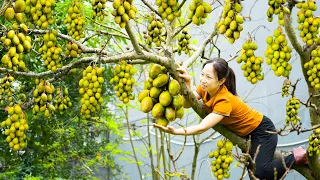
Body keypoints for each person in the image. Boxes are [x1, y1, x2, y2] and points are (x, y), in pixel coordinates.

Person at [153, 58, 307, 180]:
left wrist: (177, 132)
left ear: (221, 81)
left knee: (262, 173)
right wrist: (188, 84)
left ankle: (297, 156)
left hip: (263, 131)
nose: (203, 79)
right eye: (202, 74)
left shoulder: (224, 100)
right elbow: (188, 104)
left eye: (208, 77)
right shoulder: (205, 88)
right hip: (248, 134)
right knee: (255, 176)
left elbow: (202, 127)